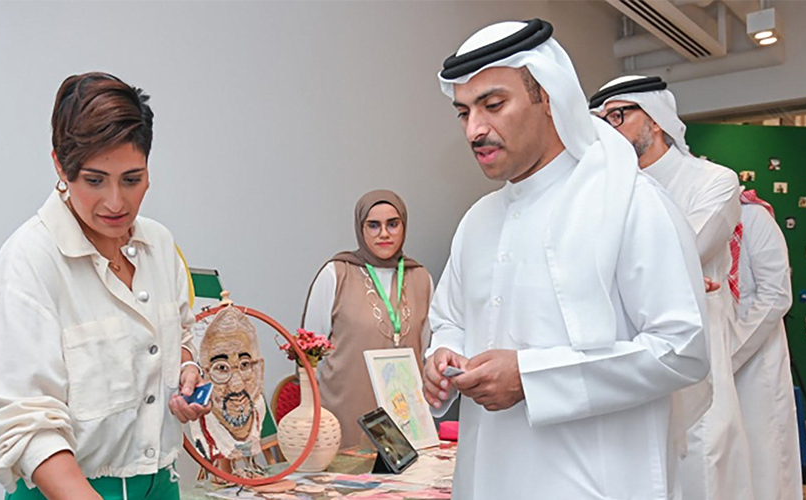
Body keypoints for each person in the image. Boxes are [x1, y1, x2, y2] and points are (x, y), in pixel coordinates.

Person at [422, 20, 709, 499]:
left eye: (493, 105)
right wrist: (441, 355)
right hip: (488, 476)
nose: (475, 129)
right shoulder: (477, 221)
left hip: (596, 483)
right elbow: (449, 318)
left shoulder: (630, 202)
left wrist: (531, 378)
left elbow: (682, 350)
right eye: (463, 112)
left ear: (549, 96)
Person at [0, 72, 209, 500]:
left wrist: (186, 373)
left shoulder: (159, 245)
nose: (116, 203)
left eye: (132, 179)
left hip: (161, 484)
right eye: (95, 180)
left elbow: (181, 332)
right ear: (60, 166)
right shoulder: (30, 259)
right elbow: (25, 423)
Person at [591, 75, 753, 500]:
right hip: (627, 353)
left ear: (657, 119)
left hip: (700, 356)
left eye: (618, 116)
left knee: (702, 466)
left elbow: (687, 251)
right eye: (601, 121)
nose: (609, 129)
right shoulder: (602, 192)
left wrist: (641, 273)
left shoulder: (714, 182)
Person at [301, 190, 433, 448]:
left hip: (403, 415)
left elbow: (426, 350)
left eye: (393, 224)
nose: (384, 233)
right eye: (373, 225)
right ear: (360, 228)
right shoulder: (337, 273)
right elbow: (309, 355)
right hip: (344, 413)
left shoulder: (421, 278)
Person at [729, 189, 803, 500]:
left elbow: (776, 294)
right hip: (715, 351)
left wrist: (729, 353)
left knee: (764, 453)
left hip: (757, 356)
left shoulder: (753, 218)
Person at [198, 306, 267, 468]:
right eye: (221, 368)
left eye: (245, 365)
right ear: (204, 374)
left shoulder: (258, 407)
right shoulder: (204, 414)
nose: (236, 386)